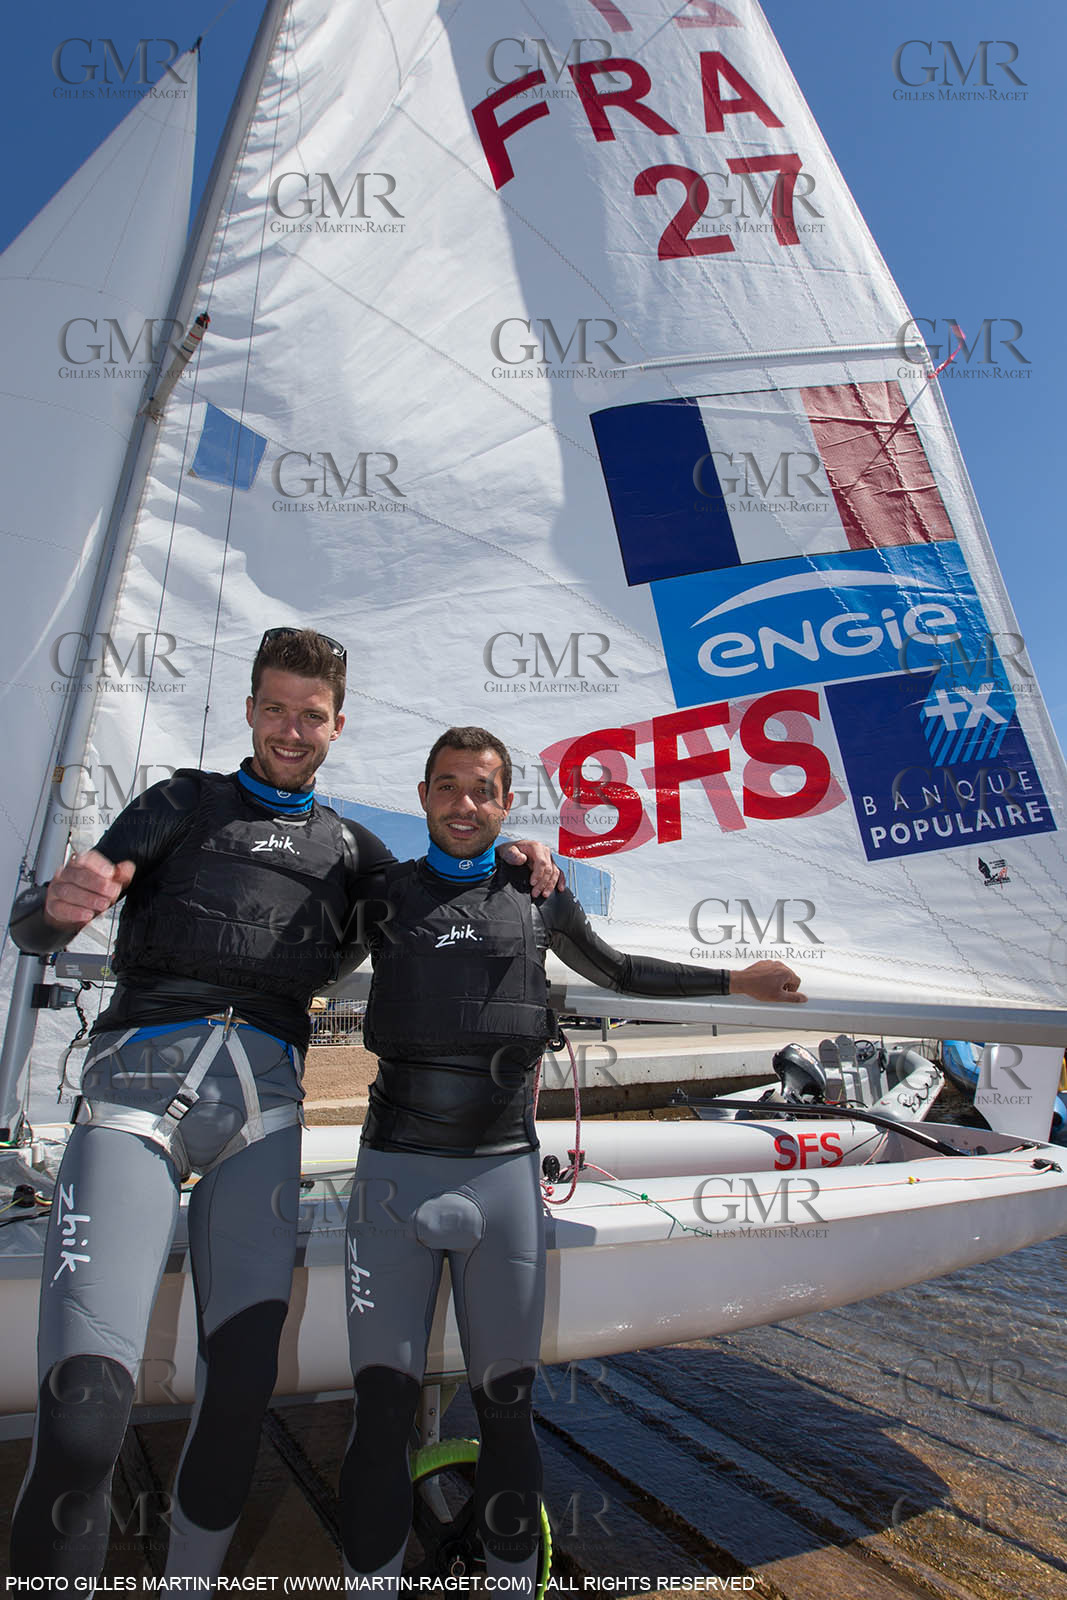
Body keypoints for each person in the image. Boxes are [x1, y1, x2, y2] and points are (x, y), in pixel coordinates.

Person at [7, 633, 556, 1581]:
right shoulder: (180, 802)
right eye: (274, 709)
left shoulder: (351, 849)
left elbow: (445, 886)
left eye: (311, 715)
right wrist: (57, 909)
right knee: (88, 1407)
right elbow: (33, 927)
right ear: (251, 709)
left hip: (262, 1117)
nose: (291, 730)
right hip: (137, 1098)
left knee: (241, 1390)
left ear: (337, 726)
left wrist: (519, 858)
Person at [340, 726, 805, 1596]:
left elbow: (619, 969)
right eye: (447, 786)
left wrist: (733, 982)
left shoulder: (538, 893)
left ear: (506, 800)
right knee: (378, 1413)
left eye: (481, 789)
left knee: (508, 1411)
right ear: (422, 795)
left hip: (501, 1177)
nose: (464, 804)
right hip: (393, 1179)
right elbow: (292, 950)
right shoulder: (382, 896)